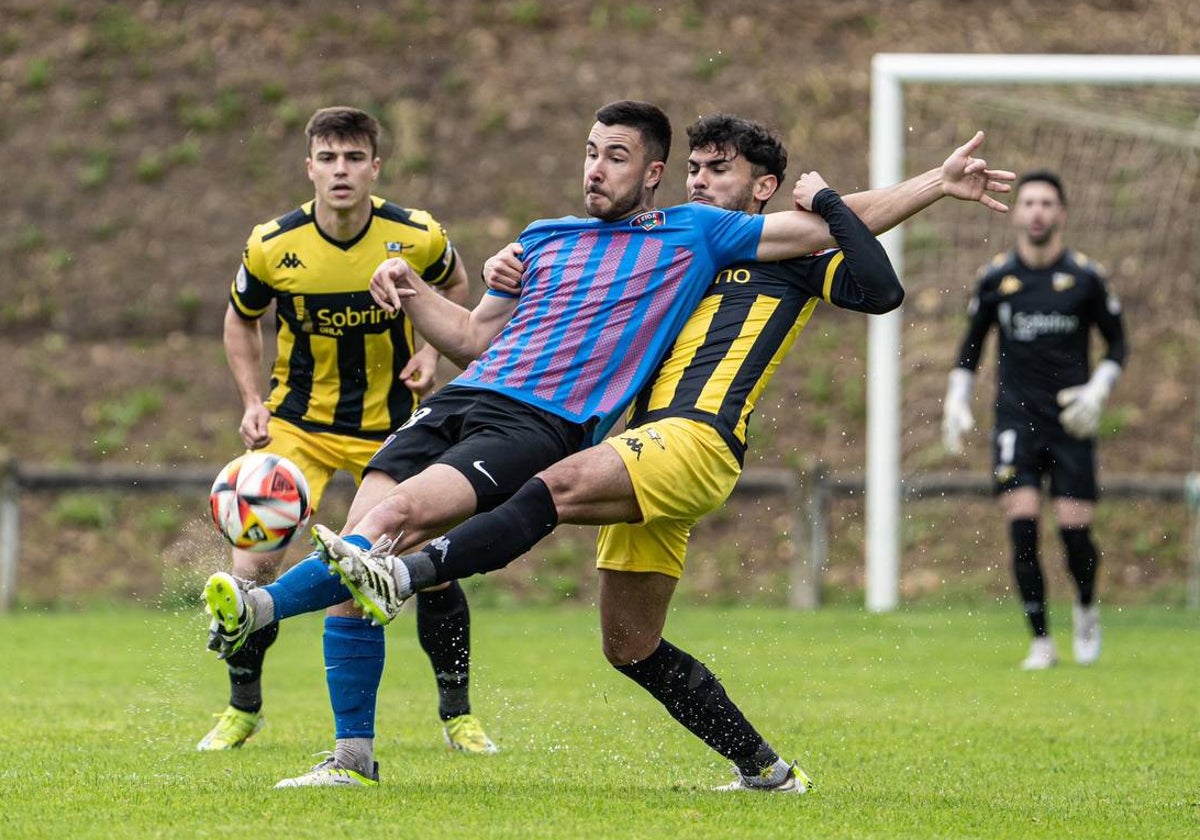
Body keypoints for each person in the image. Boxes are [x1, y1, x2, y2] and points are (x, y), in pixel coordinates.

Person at [204, 100, 1012, 788]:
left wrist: (932, 184)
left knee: (453, 518)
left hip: (618, 434)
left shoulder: (709, 237)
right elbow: (474, 339)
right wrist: (412, 294)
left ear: (654, 174)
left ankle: (291, 601)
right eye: (590, 153)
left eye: (619, 157)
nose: (598, 168)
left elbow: (850, 251)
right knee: (623, 644)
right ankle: (765, 773)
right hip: (547, 423)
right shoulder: (548, 239)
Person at [199, 106, 498, 758]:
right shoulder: (272, 245)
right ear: (309, 167)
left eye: (353, 158)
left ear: (375, 167)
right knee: (251, 564)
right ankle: (242, 706)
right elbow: (239, 318)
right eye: (328, 158)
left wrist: (430, 351)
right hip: (298, 425)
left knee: (431, 568)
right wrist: (252, 400)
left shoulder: (414, 234)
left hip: (393, 428)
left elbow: (454, 283)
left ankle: (458, 714)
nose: (341, 171)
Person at [940, 170, 1127, 670]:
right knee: (1022, 526)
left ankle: (1086, 605)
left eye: (1047, 203)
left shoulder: (1086, 277)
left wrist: (1097, 390)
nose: (1038, 211)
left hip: (1072, 421)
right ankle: (1041, 640)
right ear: (1017, 212)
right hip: (1015, 420)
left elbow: (1119, 343)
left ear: (1061, 213)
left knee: (1074, 533)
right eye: (1029, 203)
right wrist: (956, 400)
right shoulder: (997, 278)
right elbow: (971, 347)